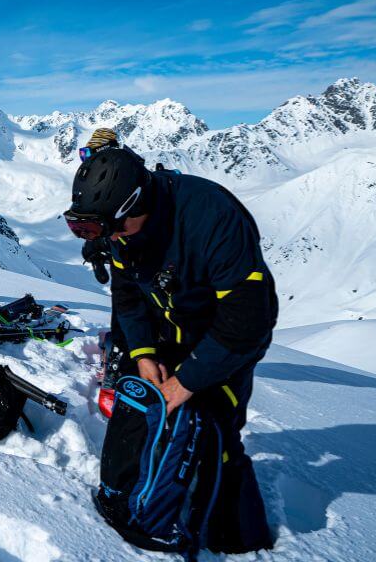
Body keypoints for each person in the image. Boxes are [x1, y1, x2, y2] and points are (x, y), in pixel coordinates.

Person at [66, 140, 276, 554]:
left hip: (222, 338)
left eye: (109, 229)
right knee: (140, 405)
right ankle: (127, 500)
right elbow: (126, 294)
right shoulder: (121, 227)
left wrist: (187, 382)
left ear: (136, 205)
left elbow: (247, 321)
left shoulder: (213, 218)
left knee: (218, 429)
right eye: (89, 229)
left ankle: (236, 539)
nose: (107, 239)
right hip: (164, 331)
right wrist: (142, 353)